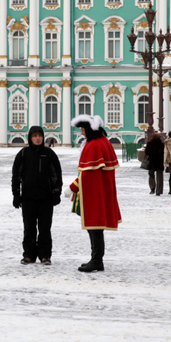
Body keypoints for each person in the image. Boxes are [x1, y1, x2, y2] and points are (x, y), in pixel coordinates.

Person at [66, 114, 121, 273]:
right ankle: (95, 259)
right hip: (98, 192)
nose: (82, 133)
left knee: (95, 227)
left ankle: (97, 260)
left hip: (94, 194)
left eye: (83, 130)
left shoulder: (95, 146)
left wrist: (72, 188)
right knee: (95, 228)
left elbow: (86, 175)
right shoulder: (102, 142)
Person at [12, 126, 63, 265]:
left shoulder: (49, 154)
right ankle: (29, 255)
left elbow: (56, 175)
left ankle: (45, 255)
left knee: (45, 228)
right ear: (30, 138)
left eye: (39, 135)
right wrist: (16, 194)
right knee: (29, 228)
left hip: (45, 198)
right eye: (34, 136)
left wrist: (56, 192)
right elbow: (16, 176)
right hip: (28, 198)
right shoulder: (23, 154)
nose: (37, 138)